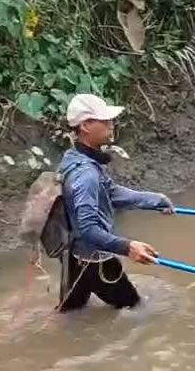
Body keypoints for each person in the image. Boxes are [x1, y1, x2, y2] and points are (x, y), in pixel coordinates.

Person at [57, 93, 174, 312]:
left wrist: (154, 200)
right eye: (105, 121)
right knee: (137, 310)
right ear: (86, 126)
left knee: (70, 312)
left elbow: (110, 193)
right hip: (97, 261)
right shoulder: (86, 175)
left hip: (73, 256)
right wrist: (128, 247)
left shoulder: (75, 158)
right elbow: (88, 227)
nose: (112, 125)